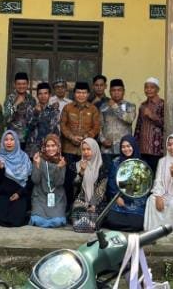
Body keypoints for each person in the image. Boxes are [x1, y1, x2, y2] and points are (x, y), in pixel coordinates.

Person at [60, 81, 101, 210]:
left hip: (86, 152)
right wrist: (72, 137)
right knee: (68, 180)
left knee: (84, 180)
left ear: (88, 94)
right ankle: (67, 208)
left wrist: (85, 138)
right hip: (69, 150)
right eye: (78, 92)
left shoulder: (93, 109)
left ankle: (81, 207)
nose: (81, 95)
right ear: (74, 93)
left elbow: (96, 127)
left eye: (84, 93)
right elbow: (62, 125)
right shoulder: (67, 108)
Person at [103, 136, 147, 232]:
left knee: (136, 224)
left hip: (135, 202)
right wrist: (117, 198)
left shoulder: (141, 164)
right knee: (111, 220)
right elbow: (111, 183)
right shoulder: (116, 162)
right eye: (123, 147)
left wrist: (134, 201)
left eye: (128, 146)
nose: (126, 149)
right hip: (119, 199)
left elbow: (144, 187)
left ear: (134, 146)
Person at [0, 130, 33, 227]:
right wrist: (0, 169)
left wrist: (19, 193)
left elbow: (29, 181)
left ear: (16, 141)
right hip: (2, 194)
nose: (9, 142)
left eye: (12, 139)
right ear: (2, 142)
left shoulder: (24, 157)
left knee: (16, 221)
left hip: (19, 194)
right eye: (6, 140)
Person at [70, 138, 109, 233]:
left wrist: (93, 204)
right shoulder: (76, 165)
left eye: (89, 149)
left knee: (95, 216)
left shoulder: (102, 166)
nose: (86, 152)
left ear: (94, 149)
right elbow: (75, 185)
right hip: (81, 200)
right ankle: (84, 223)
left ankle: (89, 223)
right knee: (77, 208)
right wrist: (82, 171)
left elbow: (101, 188)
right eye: (83, 149)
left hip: (98, 202)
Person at [30, 134, 68, 228]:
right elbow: (35, 180)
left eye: (53, 146)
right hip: (40, 196)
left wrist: (58, 168)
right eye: (48, 146)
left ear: (58, 147)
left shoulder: (61, 161)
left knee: (58, 221)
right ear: (44, 147)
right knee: (37, 220)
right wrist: (37, 165)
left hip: (57, 198)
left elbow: (59, 183)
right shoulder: (39, 159)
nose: (50, 149)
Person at [99, 79, 136, 162]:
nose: (116, 93)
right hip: (107, 149)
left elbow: (129, 119)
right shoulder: (103, 107)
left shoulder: (130, 106)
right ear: (110, 92)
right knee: (107, 170)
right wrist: (102, 140)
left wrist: (115, 107)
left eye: (119, 90)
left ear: (124, 91)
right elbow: (99, 125)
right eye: (113, 90)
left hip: (124, 149)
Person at [134, 77, 164, 173]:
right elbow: (138, 127)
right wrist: (135, 145)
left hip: (157, 149)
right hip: (142, 148)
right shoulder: (143, 105)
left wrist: (152, 116)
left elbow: (167, 124)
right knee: (144, 175)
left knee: (156, 175)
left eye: (152, 87)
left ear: (157, 89)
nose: (149, 90)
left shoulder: (163, 104)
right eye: (146, 87)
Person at [27, 82, 61, 157]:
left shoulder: (54, 111)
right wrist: (36, 114)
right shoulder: (31, 109)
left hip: (49, 149)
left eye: (45, 93)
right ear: (37, 95)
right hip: (33, 149)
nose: (43, 96)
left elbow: (53, 129)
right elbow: (29, 128)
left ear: (50, 95)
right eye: (40, 94)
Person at [4, 72, 37, 146]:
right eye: (19, 84)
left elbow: (33, 120)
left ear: (27, 84)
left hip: (28, 139)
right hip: (13, 139)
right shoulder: (10, 99)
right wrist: (15, 104)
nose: (21, 86)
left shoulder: (32, 99)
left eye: (24, 84)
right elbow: (6, 119)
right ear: (15, 85)